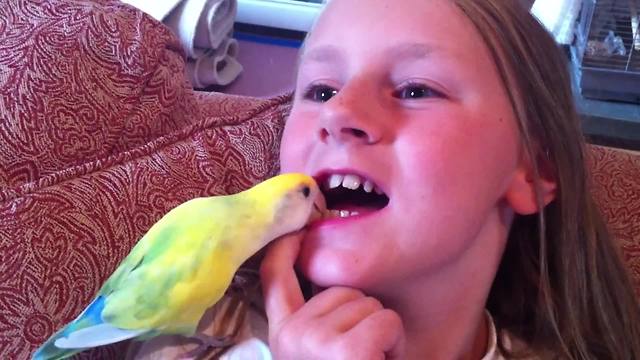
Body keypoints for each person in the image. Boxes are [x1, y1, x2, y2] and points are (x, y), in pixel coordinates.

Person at [131, 0, 640, 358]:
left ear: (532, 171)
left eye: (416, 90)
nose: (340, 112)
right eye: (321, 91)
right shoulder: (190, 341)